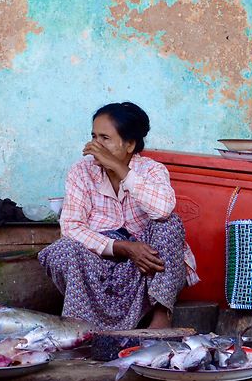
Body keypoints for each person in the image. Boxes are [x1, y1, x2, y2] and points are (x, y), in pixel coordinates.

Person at [38, 102, 198, 331]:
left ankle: (161, 314)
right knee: (62, 250)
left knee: (170, 224)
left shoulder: (152, 170)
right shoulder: (82, 172)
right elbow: (71, 227)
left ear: (130, 144)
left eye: (105, 138)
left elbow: (163, 210)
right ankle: (81, 325)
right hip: (101, 261)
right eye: (94, 136)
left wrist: (119, 169)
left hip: (144, 265)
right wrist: (120, 247)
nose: (96, 145)